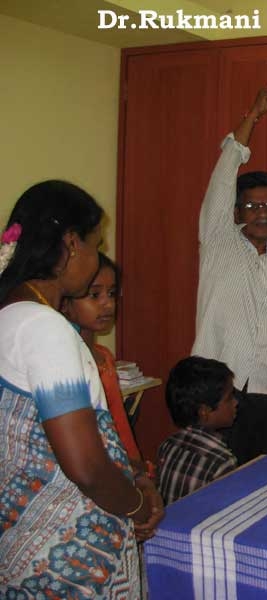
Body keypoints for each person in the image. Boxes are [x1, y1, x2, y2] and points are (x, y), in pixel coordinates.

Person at [0, 180, 163, 598]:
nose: (96, 258)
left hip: (22, 543)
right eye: (96, 244)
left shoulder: (9, 314)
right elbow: (86, 466)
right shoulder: (45, 327)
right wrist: (136, 505)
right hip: (70, 556)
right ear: (72, 244)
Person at [192, 86, 267, 465]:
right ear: (236, 212)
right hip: (220, 390)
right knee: (218, 477)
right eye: (252, 206)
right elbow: (223, 177)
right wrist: (253, 115)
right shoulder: (218, 241)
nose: (262, 213)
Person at [62, 253, 144, 471]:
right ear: (65, 303)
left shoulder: (104, 355)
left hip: (123, 460)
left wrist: (135, 464)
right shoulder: (68, 362)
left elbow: (119, 420)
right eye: (94, 294)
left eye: (112, 293)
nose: (108, 303)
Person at [158, 356, 239, 505]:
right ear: (204, 412)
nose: (235, 402)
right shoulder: (222, 462)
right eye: (229, 398)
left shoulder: (167, 445)